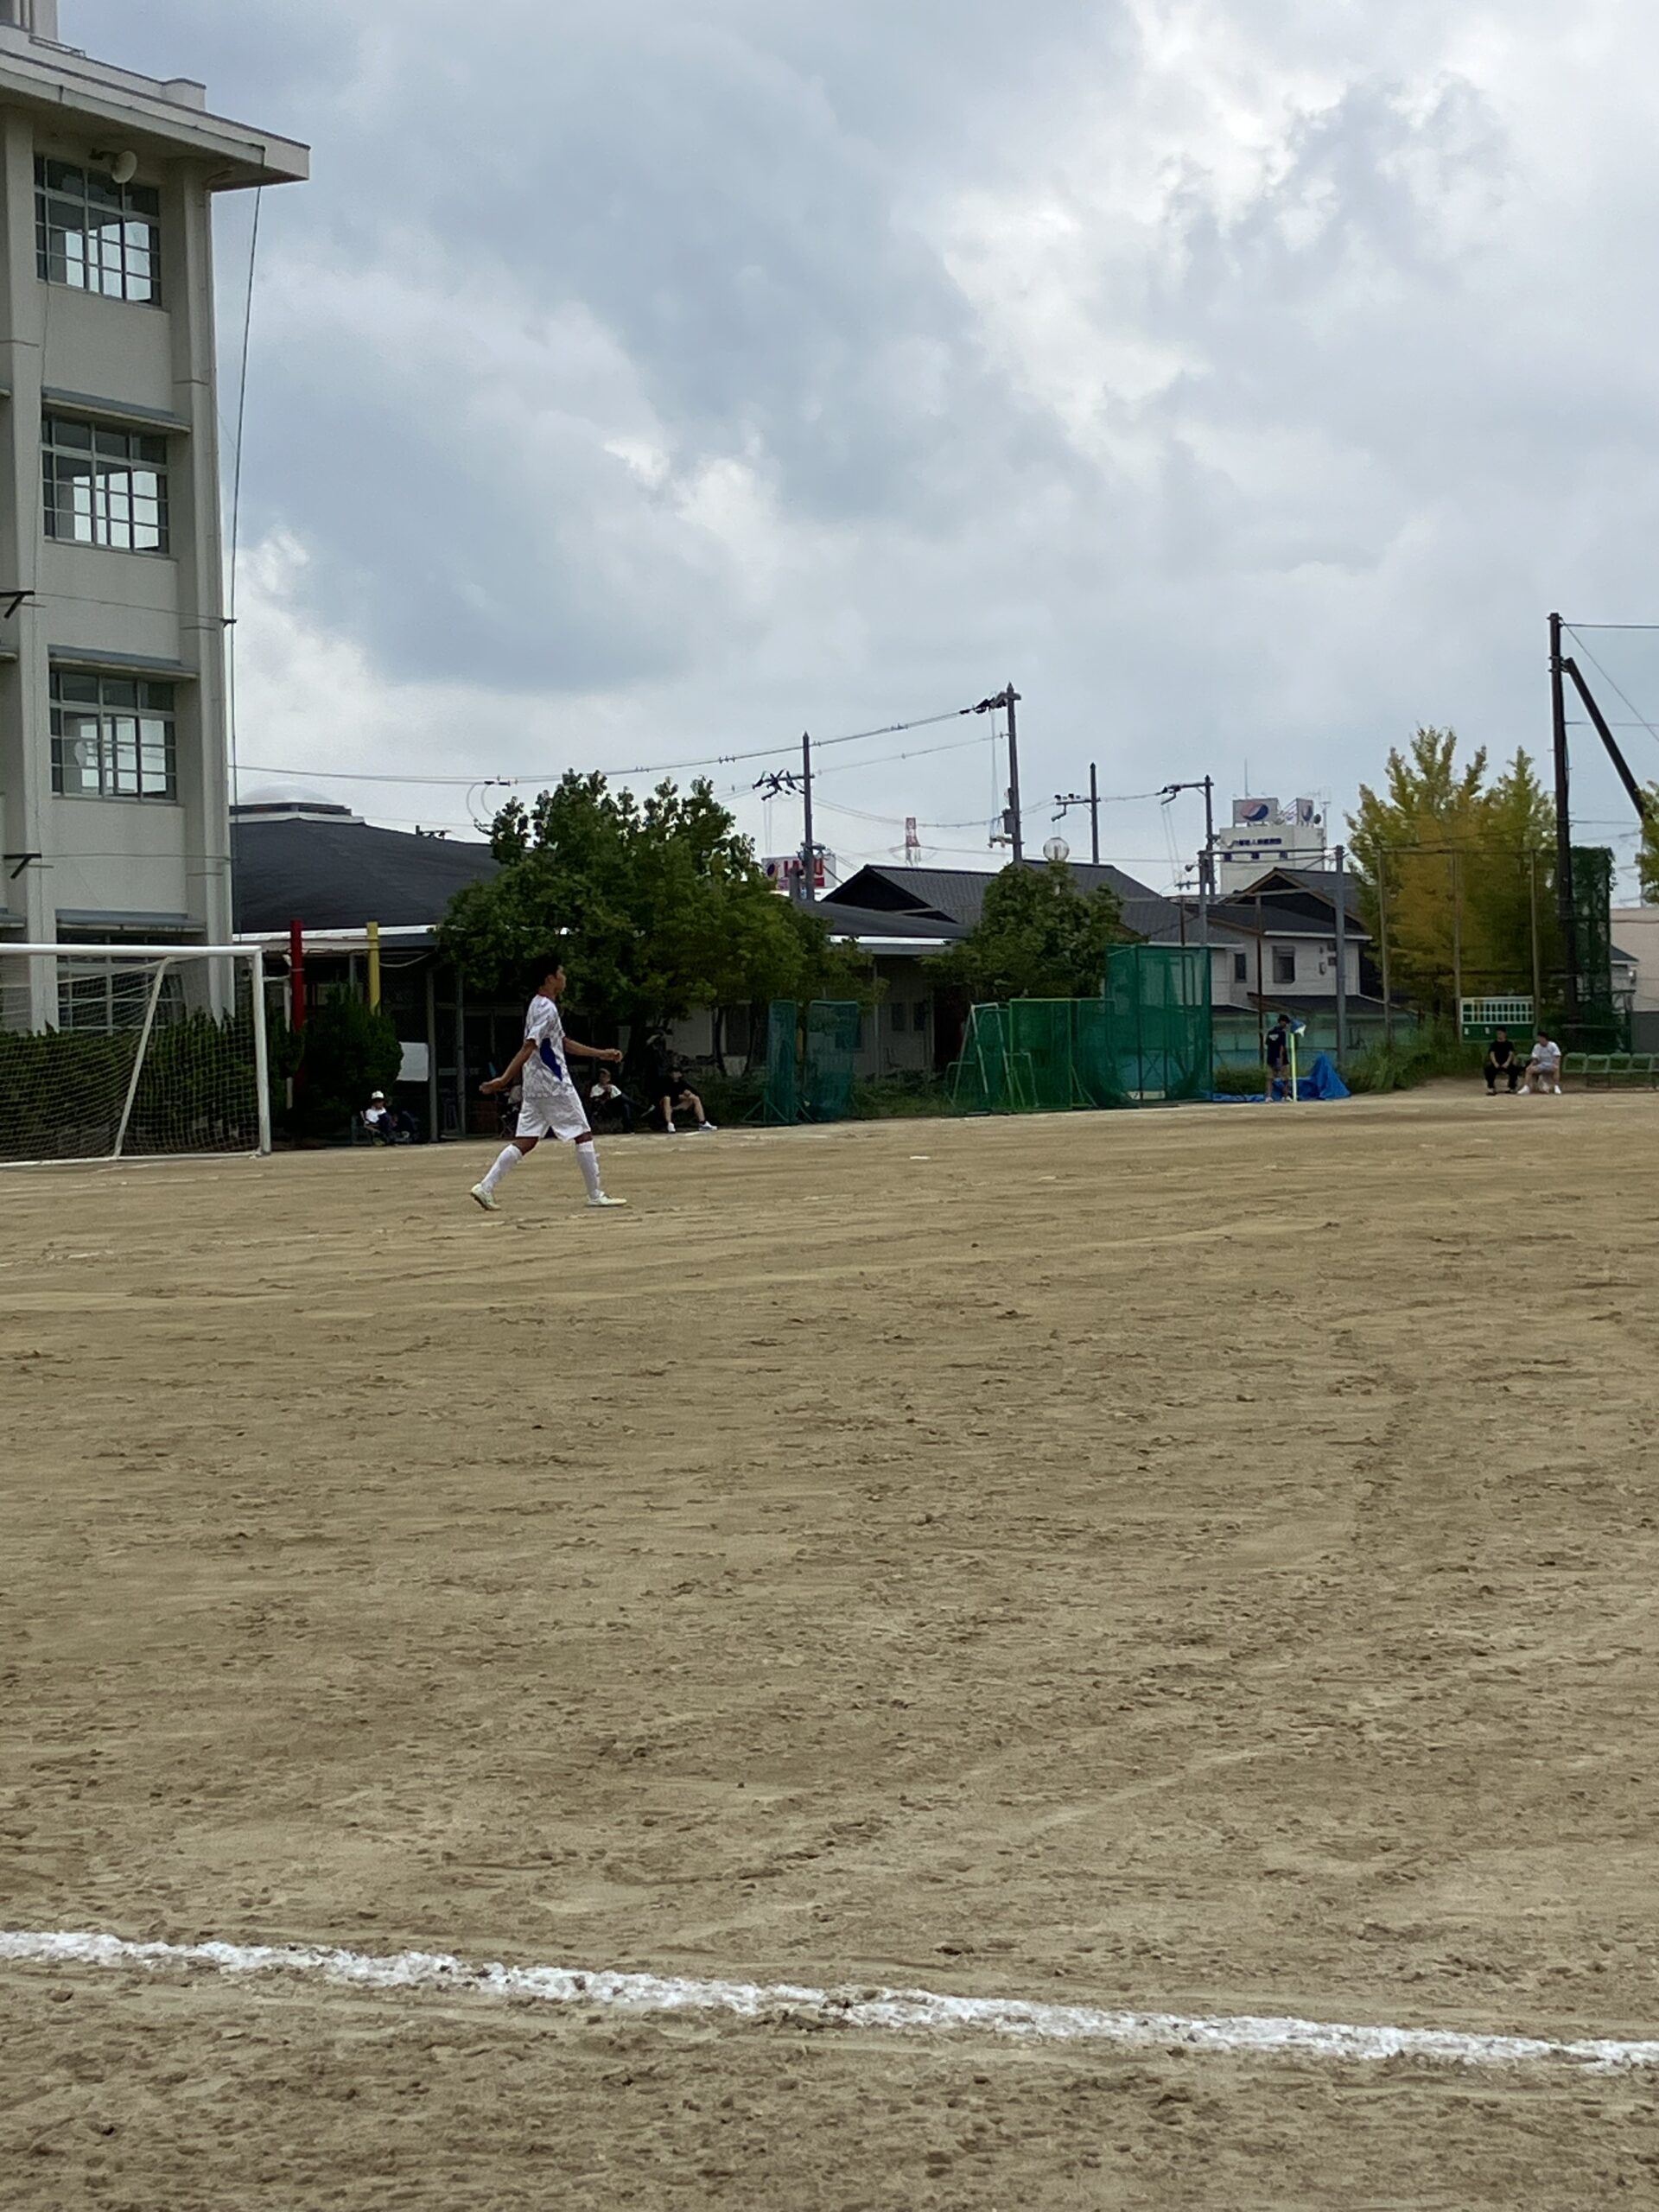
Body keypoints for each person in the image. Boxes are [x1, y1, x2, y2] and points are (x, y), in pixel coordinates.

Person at [469, 958, 627, 1211]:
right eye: (561, 973)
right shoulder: (547, 1009)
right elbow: (529, 1046)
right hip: (554, 1084)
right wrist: (504, 1079)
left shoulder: (537, 1005)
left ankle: (485, 1187)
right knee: (583, 1133)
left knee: (526, 1140)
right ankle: (595, 1194)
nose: (564, 977)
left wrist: (601, 1054)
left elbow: (562, 1042)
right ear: (550, 978)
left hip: (534, 1086)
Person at [588, 1068, 634, 1134]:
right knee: (621, 1097)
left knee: (625, 1105)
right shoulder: (595, 1088)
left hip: (615, 1107)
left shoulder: (612, 1087)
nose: (602, 1079)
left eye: (604, 1077)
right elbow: (595, 1100)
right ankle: (640, 1108)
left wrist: (610, 1092)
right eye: (601, 1077)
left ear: (608, 1079)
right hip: (604, 1107)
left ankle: (628, 1128)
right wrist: (606, 1093)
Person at [1518, 1029, 1564, 1096]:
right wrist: (1531, 1065)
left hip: (1551, 1065)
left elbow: (1557, 1056)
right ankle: (1526, 1087)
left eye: (1540, 1038)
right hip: (1541, 1065)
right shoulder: (1537, 1046)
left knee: (1556, 1068)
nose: (1539, 1040)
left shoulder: (1553, 1045)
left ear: (1544, 1038)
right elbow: (1535, 1059)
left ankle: (1556, 1087)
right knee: (1529, 1070)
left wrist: (1556, 1064)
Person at [1264, 1015, 1293, 1103]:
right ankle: (1286, 1096)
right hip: (1282, 1060)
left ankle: (1269, 1097)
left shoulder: (1270, 1032)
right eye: (1286, 1023)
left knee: (1270, 1078)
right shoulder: (1282, 1033)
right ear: (1281, 1022)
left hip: (1270, 1058)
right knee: (1285, 1079)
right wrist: (1280, 1059)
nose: (1286, 1025)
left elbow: (1267, 1044)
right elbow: (1282, 1047)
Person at [1484, 1029, 1520, 1096]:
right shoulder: (1494, 1044)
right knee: (1488, 1069)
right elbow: (1492, 1054)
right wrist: (1495, 1063)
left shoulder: (1509, 1044)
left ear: (1504, 1034)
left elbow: (1511, 1054)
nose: (1499, 1035)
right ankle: (1491, 1088)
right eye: (1498, 1034)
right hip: (1496, 1064)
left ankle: (1512, 1087)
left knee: (1515, 1069)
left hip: (1506, 1064)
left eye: (1500, 1033)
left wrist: (1507, 1063)